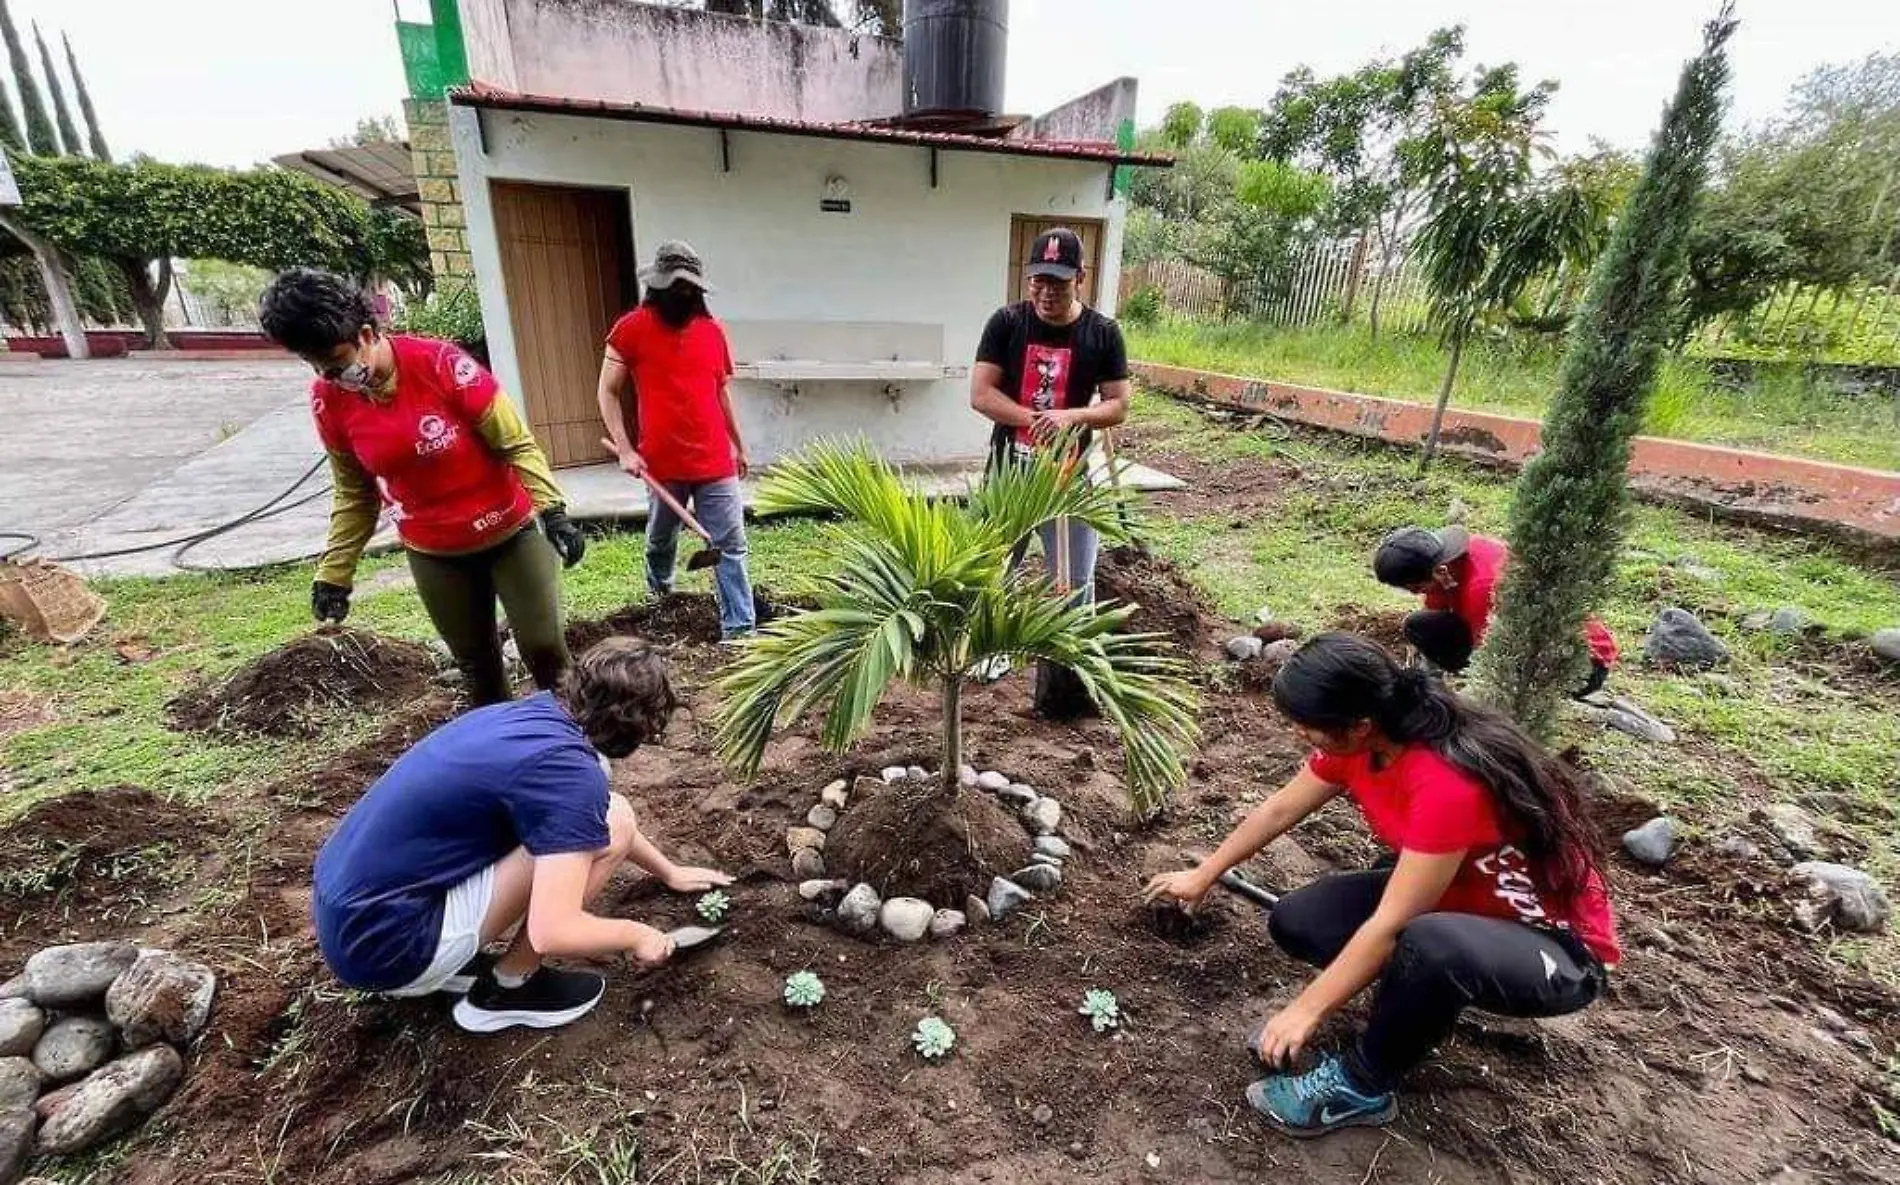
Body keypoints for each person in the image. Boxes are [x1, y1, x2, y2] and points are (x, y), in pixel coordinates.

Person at [1145, 633, 1619, 1138]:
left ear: (1359, 726)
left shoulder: (1445, 783)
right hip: (1458, 902)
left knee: (1430, 945)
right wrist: (1203, 875)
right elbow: (1280, 808)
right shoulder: (1365, 742)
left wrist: (1305, 1009)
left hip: (1555, 946)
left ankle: (1363, 1087)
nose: (1299, 733)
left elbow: (1393, 923)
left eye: (1307, 725)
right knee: (1301, 921)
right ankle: (1414, 1004)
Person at [312, 637, 733, 1033]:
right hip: (391, 951)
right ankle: (510, 989)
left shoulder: (532, 716)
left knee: (606, 815)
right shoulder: (568, 775)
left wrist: (668, 871)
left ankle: (455, 964)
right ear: (635, 724)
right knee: (612, 818)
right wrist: (637, 934)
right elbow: (555, 930)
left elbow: (592, 820)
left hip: (352, 922)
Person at [259, 268, 586, 707]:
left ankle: (577, 748)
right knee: (478, 667)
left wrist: (553, 510)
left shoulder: (442, 365)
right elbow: (355, 494)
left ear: (368, 333)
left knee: (544, 649)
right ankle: (505, 763)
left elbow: (516, 444)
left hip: (510, 532)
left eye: (336, 362)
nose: (330, 375)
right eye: (315, 365)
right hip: (435, 552)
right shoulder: (328, 401)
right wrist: (334, 573)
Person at [969, 227, 1132, 679]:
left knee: (1074, 578)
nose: (1046, 292)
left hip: (1068, 476)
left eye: (1058, 282)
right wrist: (1033, 419)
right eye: (1038, 280)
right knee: (993, 567)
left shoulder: (1103, 333)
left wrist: (1070, 418)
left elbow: (1119, 404)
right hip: (1009, 473)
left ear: (1080, 276)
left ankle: (1067, 668)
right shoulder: (1006, 323)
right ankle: (990, 649)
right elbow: (981, 395)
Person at [597, 242, 757, 643]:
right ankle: (661, 600)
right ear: (659, 286)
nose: (685, 296)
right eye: (677, 288)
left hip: (714, 462)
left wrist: (738, 443)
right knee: (660, 540)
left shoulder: (712, 332)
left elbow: (720, 393)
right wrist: (626, 448)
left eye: (691, 289)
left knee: (730, 544)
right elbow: (607, 392)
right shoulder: (631, 329)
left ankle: (739, 630)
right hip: (661, 464)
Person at [1374, 525, 1619, 697]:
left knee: (1482, 699)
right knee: (1421, 626)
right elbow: (1436, 615)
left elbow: (1493, 655)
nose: (1416, 593)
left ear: (1441, 571)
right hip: (1528, 641)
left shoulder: (1483, 587)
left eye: (1417, 587)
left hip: (1581, 663)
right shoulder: (1452, 559)